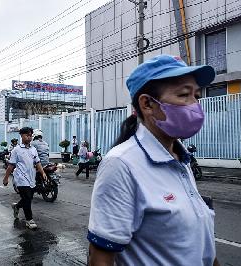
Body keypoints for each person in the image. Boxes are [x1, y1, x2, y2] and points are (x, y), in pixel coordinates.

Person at [87, 55, 220, 266]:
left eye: (197, 95)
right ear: (147, 104)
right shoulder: (121, 165)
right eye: (184, 95)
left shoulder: (180, 159)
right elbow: (100, 259)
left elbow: (203, 247)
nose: (195, 105)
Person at [3, 127, 47, 230]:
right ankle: (29, 220)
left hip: (31, 178)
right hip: (21, 179)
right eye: (27, 135)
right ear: (21, 136)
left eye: (31, 135)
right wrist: (6, 178)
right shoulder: (16, 150)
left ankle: (17, 207)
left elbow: (38, 163)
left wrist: (43, 173)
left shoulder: (33, 149)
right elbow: (11, 166)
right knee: (27, 198)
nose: (29, 137)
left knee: (28, 198)